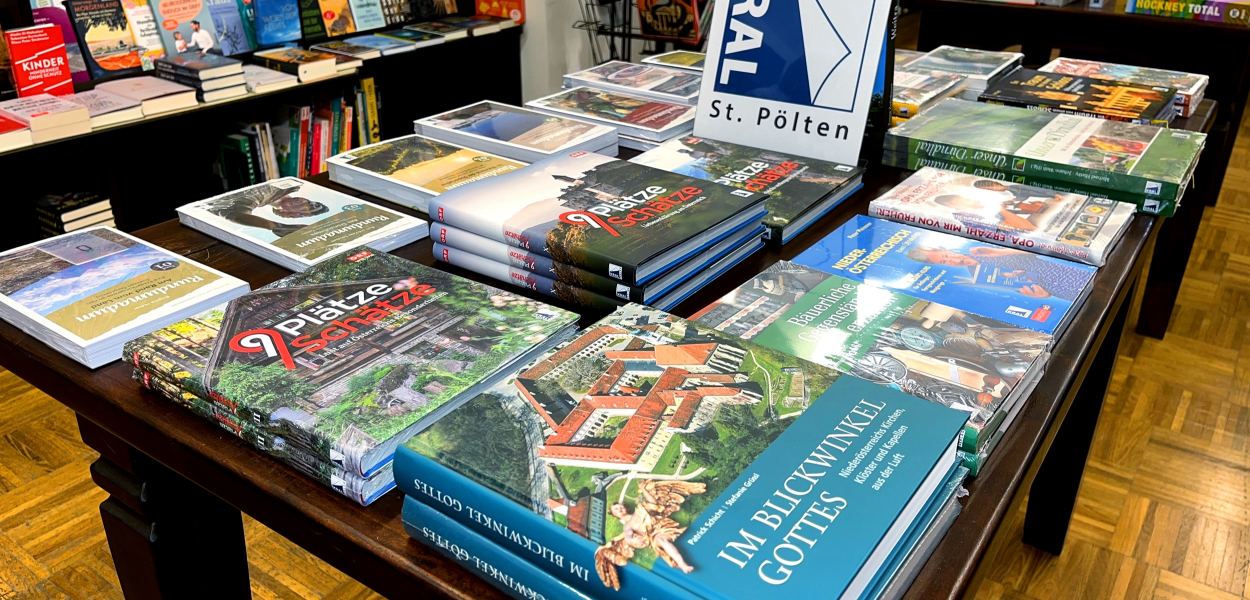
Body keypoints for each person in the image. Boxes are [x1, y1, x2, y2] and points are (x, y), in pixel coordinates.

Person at [906, 245, 1084, 300]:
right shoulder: (978, 279)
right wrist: (1043, 296)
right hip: (1060, 290)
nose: (951, 260)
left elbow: (1032, 249)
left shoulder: (980, 247)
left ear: (947, 249)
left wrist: (999, 251)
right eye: (945, 262)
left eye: (946, 255)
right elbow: (1019, 290)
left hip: (1066, 270)